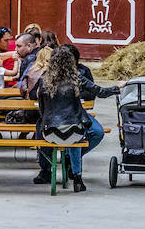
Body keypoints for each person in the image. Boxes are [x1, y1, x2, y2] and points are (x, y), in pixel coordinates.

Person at [33, 44, 116, 191]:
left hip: (49, 133)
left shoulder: (44, 80)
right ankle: (77, 178)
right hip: (74, 133)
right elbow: (101, 92)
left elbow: (42, 109)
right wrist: (119, 88)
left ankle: (46, 170)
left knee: (43, 126)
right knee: (76, 133)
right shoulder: (77, 78)